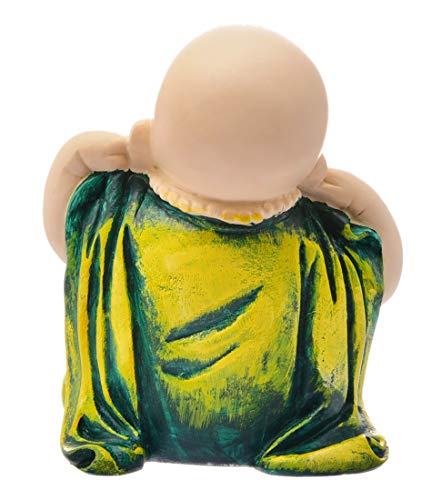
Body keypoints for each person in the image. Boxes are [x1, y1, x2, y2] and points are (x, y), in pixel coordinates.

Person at [44, 25, 402, 475]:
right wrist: (362, 207)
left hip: (252, 428)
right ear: (312, 164)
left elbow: (67, 246)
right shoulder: (128, 218)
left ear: (151, 136)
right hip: (211, 425)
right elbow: (380, 282)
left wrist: (73, 164)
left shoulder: (306, 244)